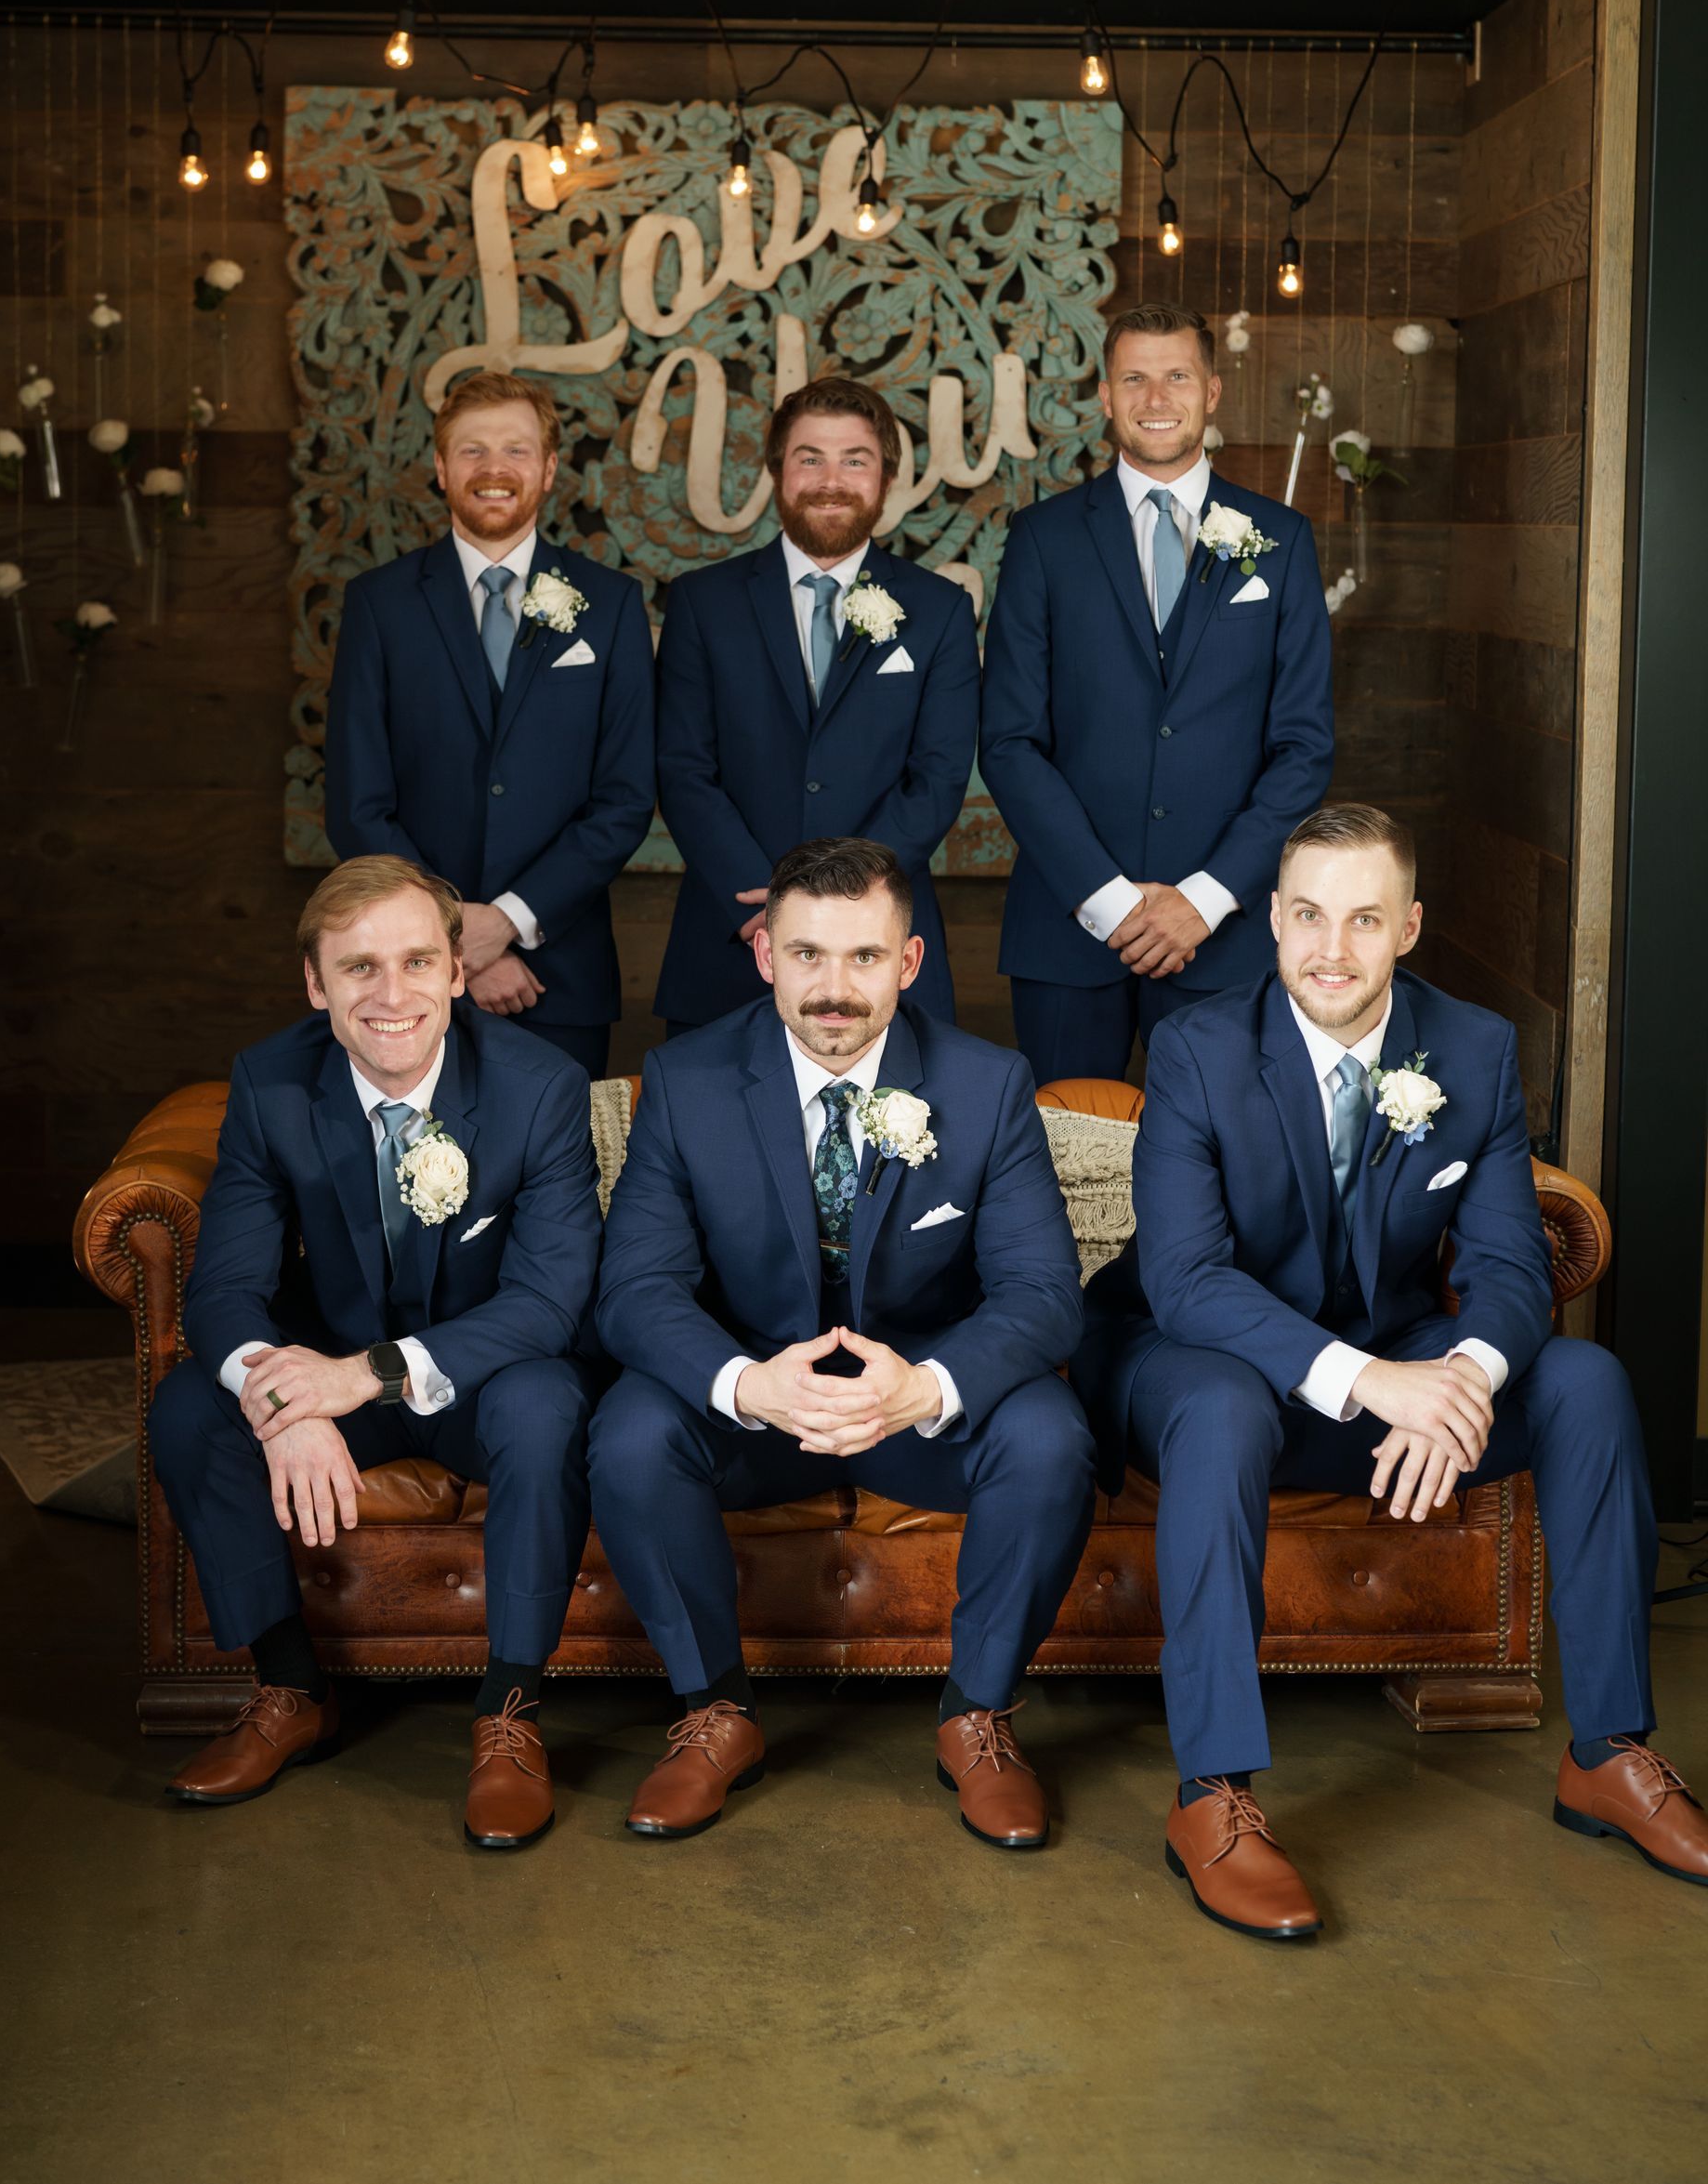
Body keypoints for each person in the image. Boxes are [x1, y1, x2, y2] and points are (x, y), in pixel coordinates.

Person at [1071, 804, 1706, 1939]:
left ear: (1408, 927)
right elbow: (1185, 1279)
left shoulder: (1472, 1047)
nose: (1333, 948)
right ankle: (1213, 1794)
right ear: (1273, 920)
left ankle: (1609, 1754)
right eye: (1310, 916)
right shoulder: (1197, 1049)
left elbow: (1510, 1265)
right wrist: (1374, 1382)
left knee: (1587, 1383)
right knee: (1220, 1407)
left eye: (1365, 919)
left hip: (1395, 1362)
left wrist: (1459, 1377)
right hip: (1194, 1359)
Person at [592, 835, 1096, 1848]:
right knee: (630, 1433)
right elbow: (636, 1289)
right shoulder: (685, 1080)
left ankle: (978, 1715)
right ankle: (714, 1710)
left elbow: (1043, 1293)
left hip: (915, 1402)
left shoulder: (987, 1084)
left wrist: (927, 1386)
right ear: (765, 955)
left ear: (909, 962)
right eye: (808, 954)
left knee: (1050, 1436)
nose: (834, 988)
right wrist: (745, 1383)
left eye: (864, 956)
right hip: (757, 1402)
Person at [150, 855, 604, 1851]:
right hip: (330, 1372)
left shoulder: (540, 1087)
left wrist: (356, 1377)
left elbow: (547, 1302)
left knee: (546, 1406)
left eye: (416, 962)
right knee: (187, 1409)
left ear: (457, 971)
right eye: (358, 967)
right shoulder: (271, 1083)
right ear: (317, 985)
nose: (391, 994)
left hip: (486, 1376)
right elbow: (223, 1288)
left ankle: (510, 1711)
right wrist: (283, 1400)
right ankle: (291, 1690)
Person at [980, 301, 1334, 1087]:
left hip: (1227, 933)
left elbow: (1304, 747)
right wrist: (1109, 900)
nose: (1156, 397)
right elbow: (1008, 741)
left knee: (1229, 1147)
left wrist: (1204, 899)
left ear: (1211, 391)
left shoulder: (1281, 541)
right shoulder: (1042, 538)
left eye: (1177, 376)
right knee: (1065, 1148)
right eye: (1134, 378)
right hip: (1069, 931)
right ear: (1106, 396)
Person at [326, 368, 655, 1081]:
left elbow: (625, 799)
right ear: (442, 467)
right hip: (403, 984)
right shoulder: (379, 605)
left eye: (516, 450)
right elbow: (358, 805)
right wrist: (452, 940)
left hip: (560, 977)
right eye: (472, 450)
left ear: (548, 470)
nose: (494, 468)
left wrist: (506, 921)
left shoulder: (611, 605)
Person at [653, 375, 980, 1035]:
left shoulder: (940, 609)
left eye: (854, 460)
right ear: (777, 472)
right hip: (734, 932)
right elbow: (683, 769)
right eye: (810, 459)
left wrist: (848, 901)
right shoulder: (702, 602)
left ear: (886, 478)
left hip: (881, 936)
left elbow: (938, 776)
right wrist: (762, 907)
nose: (831, 481)